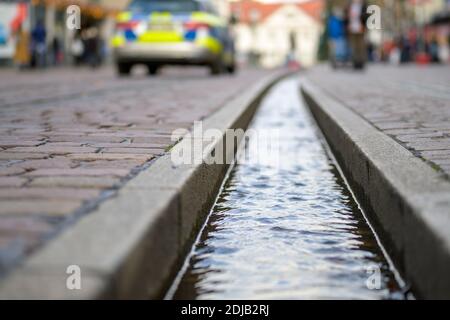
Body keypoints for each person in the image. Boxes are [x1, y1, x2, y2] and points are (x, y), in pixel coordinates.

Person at [345, 0, 369, 69]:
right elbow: (346, 15)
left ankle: (361, 63)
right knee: (353, 46)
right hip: (352, 28)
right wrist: (348, 24)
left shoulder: (363, 5)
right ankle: (355, 63)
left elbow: (367, 15)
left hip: (360, 28)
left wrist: (363, 25)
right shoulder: (349, 5)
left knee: (361, 46)